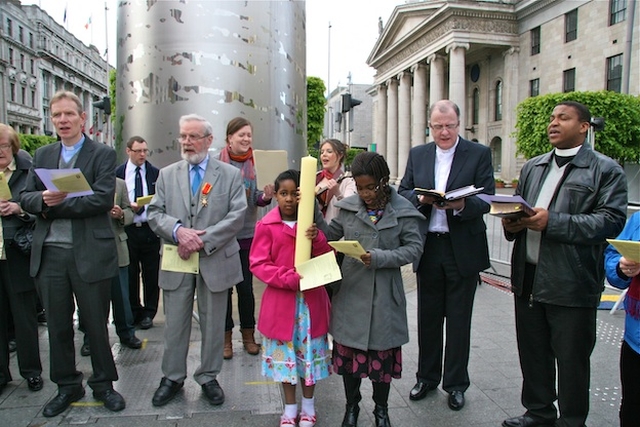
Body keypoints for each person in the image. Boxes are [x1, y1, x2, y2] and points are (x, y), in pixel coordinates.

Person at [501, 100, 627, 427]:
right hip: (527, 278)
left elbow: (611, 222)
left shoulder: (605, 170)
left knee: (571, 362)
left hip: (571, 283)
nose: (553, 123)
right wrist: (511, 223)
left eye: (564, 118)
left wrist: (552, 223)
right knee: (533, 355)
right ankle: (539, 412)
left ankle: (571, 420)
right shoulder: (533, 167)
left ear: (584, 126)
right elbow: (521, 209)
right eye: (552, 117)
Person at [20, 91, 125, 417]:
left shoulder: (103, 154)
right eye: (56, 115)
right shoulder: (43, 155)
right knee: (58, 326)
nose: (62, 120)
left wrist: (54, 207)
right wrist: (41, 203)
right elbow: (26, 197)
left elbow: (102, 199)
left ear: (83, 119)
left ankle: (104, 384)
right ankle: (67, 386)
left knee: (95, 325)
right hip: (50, 254)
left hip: (90, 253)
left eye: (68, 114)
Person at [398, 100, 495, 411]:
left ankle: (455, 383)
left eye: (449, 125)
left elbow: (487, 197)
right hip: (429, 247)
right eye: (438, 126)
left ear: (458, 124)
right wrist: (422, 198)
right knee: (427, 318)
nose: (444, 131)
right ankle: (426, 377)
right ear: (430, 126)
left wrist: (462, 205)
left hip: (462, 248)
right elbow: (403, 192)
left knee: (458, 320)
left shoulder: (478, 153)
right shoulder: (418, 154)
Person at [147, 114, 247, 407]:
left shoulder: (229, 175)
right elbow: (155, 213)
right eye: (183, 136)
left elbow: (237, 216)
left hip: (214, 259)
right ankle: (172, 377)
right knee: (175, 323)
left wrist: (201, 239)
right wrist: (178, 232)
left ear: (208, 140)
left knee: (215, 323)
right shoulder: (167, 174)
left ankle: (208, 376)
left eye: (193, 137)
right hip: (178, 260)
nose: (187, 143)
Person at [326, 152, 424, 427]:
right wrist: (312, 220)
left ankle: (382, 410)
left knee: (381, 361)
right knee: (349, 360)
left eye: (371, 187)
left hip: (385, 297)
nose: (366, 193)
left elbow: (414, 248)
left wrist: (380, 257)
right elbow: (329, 236)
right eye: (360, 188)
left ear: (383, 181)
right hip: (351, 293)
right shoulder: (347, 208)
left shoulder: (403, 209)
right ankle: (351, 408)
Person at [250, 169, 333, 427]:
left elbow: (326, 253)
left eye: (293, 194)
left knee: (308, 355)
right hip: (281, 303)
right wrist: (287, 278)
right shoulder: (266, 226)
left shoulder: (310, 224)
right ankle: (289, 408)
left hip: (310, 304)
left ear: (302, 195)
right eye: (283, 193)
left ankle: (309, 406)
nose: (288, 199)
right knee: (286, 359)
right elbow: (259, 263)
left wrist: (317, 238)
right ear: (275, 195)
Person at [216, 117, 274, 359]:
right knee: (224, 291)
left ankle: (248, 336)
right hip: (222, 236)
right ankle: (225, 339)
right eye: (241, 135)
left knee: (246, 289)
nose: (246, 139)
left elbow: (257, 198)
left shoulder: (256, 163)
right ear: (229, 138)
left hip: (247, 235)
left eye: (249, 135)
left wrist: (267, 197)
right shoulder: (216, 164)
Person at [0, 124, 43, 395]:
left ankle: (32, 372)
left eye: (3, 146)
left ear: (13, 147)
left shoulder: (28, 172)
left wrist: (19, 209)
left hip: (17, 253)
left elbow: (42, 208)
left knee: (25, 317)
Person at [79, 177, 142, 356]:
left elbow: (129, 211)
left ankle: (127, 333)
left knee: (121, 295)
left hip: (116, 247)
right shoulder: (81, 182)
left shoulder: (119, 184)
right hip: (89, 248)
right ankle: (90, 338)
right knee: (91, 299)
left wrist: (121, 214)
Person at [115, 136, 160, 330]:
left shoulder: (155, 173)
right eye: (138, 151)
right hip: (127, 230)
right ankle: (134, 311)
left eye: (145, 151)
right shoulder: (118, 174)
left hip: (149, 230)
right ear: (128, 151)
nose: (142, 155)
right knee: (130, 273)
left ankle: (149, 313)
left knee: (151, 274)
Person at [604, 212, 640, 427]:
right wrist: (621, 266)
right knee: (633, 406)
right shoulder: (637, 220)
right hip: (635, 340)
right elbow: (613, 255)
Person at [315, 139, 356, 223]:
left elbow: (349, 208)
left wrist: (337, 193)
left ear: (340, 155)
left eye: (329, 151)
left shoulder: (348, 181)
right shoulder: (316, 177)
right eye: (322, 152)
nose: (324, 155)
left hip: (334, 232)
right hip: (313, 231)